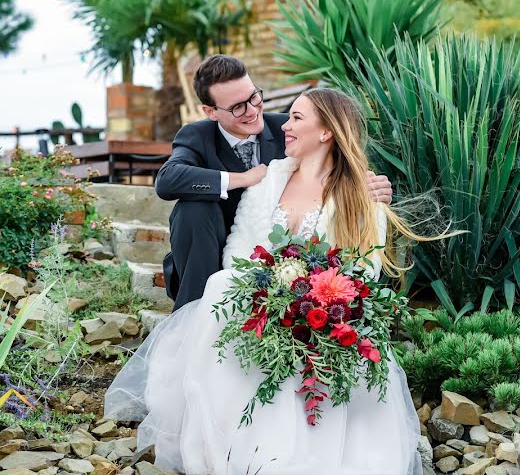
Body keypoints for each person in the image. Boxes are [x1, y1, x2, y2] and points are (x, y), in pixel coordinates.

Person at [105, 88, 425, 475]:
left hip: (323, 314)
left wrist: (307, 295)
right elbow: (238, 249)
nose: (284, 126)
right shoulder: (269, 178)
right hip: (259, 302)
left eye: (295, 119)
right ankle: (230, 443)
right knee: (220, 285)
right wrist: (269, 291)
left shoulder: (361, 193)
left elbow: (364, 270)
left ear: (326, 132)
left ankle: (285, 452)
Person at [156, 55, 392, 312]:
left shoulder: (288, 129)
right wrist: (243, 179)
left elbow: (341, 158)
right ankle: (192, 316)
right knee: (193, 209)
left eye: (254, 97)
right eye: (237, 107)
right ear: (211, 112)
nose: (252, 110)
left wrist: (374, 188)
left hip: (290, 268)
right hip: (213, 252)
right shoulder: (198, 135)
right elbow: (168, 180)